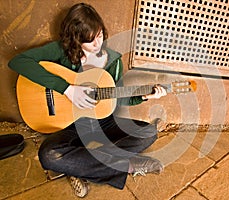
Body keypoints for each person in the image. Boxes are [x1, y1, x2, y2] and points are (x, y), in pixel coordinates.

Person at [8, 3, 167, 198]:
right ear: (75, 39)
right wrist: (66, 89)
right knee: (48, 155)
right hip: (69, 125)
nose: (97, 44)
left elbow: (113, 98)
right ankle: (126, 165)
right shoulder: (61, 51)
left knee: (148, 132)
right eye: (89, 40)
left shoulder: (113, 60)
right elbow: (17, 62)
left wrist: (142, 96)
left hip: (101, 122)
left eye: (99, 35)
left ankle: (77, 165)